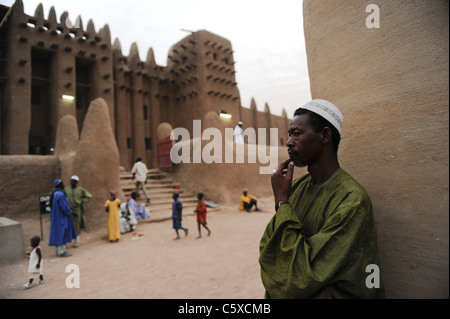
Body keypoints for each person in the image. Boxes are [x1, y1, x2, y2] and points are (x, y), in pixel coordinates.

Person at [259, 99, 384, 299]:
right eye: (289, 135)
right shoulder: (297, 187)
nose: (289, 142)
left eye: (297, 134)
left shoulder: (351, 199)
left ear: (325, 135)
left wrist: (282, 203)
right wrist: (282, 202)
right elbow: (269, 248)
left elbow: (300, 276)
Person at [48, 179, 77, 257]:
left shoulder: (54, 193)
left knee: (57, 233)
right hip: (61, 217)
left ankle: (58, 251)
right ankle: (62, 251)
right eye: (63, 184)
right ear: (60, 185)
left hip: (55, 217)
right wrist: (71, 213)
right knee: (62, 232)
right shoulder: (60, 194)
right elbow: (64, 207)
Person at [66, 175, 92, 247]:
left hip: (77, 210)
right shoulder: (67, 190)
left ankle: (76, 241)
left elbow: (89, 196)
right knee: (68, 225)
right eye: (71, 181)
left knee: (76, 225)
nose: (72, 182)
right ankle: (67, 241)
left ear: (76, 182)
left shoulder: (80, 190)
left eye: (73, 181)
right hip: (68, 210)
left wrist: (81, 201)